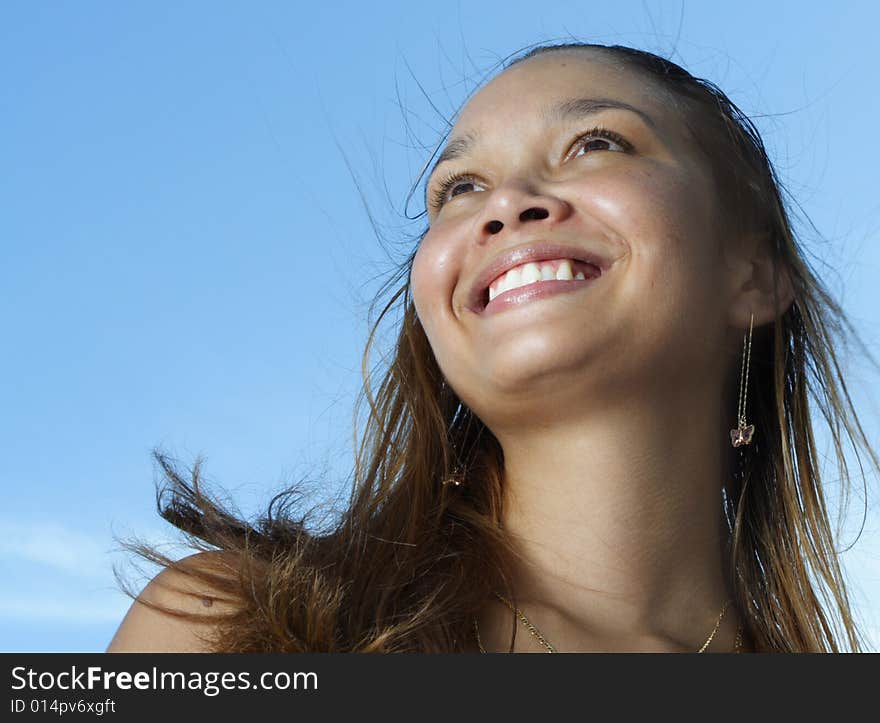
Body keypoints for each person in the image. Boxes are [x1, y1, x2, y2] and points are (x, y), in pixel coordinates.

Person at [107, 41, 878, 654]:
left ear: (752, 273)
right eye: (459, 189)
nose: (505, 202)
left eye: (596, 142)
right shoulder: (229, 625)